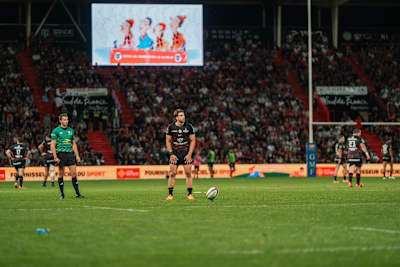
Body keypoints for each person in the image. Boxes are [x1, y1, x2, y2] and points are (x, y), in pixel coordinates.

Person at [51, 113, 84, 199]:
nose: (66, 121)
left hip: (70, 154)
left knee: (73, 173)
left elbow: (73, 144)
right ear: (60, 121)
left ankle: (78, 194)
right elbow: (53, 145)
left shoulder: (71, 130)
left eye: (67, 119)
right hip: (61, 154)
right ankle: (62, 195)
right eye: (64, 119)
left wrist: (77, 155)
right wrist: (55, 157)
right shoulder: (56, 131)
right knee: (61, 173)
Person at [165, 109, 196, 200]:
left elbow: (193, 140)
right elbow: (167, 141)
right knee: (172, 173)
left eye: (184, 115)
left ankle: (190, 194)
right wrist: (171, 153)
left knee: (188, 173)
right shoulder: (171, 127)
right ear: (176, 117)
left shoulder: (189, 127)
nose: (183, 117)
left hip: (186, 153)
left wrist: (189, 154)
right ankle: (170, 195)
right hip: (175, 153)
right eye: (181, 115)